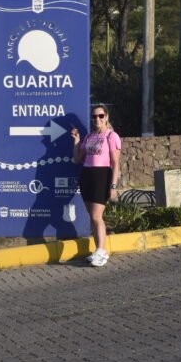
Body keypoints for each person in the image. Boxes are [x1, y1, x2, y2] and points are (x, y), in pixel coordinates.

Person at [70, 104, 121, 267]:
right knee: (92, 216)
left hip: (101, 176)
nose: (97, 119)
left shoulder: (111, 136)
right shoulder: (89, 137)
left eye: (100, 116)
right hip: (86, 175)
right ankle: (97, 250)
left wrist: (113, 186)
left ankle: (101, 251)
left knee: (97, 216)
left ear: (106, 117)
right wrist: (76, 141)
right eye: (94, 116)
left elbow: (115, 163)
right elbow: (78, 158)